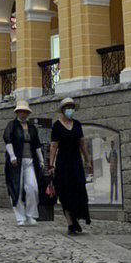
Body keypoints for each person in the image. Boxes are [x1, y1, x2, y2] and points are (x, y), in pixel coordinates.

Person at [48, 97, 93, 236]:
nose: (70, 110)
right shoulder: (57, 126)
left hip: (76, 162)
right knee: (65, 192)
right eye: (67, 107)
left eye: (71, 107)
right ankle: (70, 223)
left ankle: (76, 218)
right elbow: (54, 145)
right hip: (63, 163)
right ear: (62, 110)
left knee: (79, 189)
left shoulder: (77, 125)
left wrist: (88, 161)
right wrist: (51, 164)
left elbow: (82, 143)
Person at [3, 101, 43, 226]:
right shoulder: (12, 125)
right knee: (17, 188)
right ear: (17, 112)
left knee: (32, 187)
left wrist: (41, 159)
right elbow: (7, 140)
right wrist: (12, 156)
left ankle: (31, 215)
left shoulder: (32, 128)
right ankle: (20, 216)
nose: (23, 114)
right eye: (21, 111)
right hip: (17, 162)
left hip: (30, 161)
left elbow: (36, 144)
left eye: (25, 112)